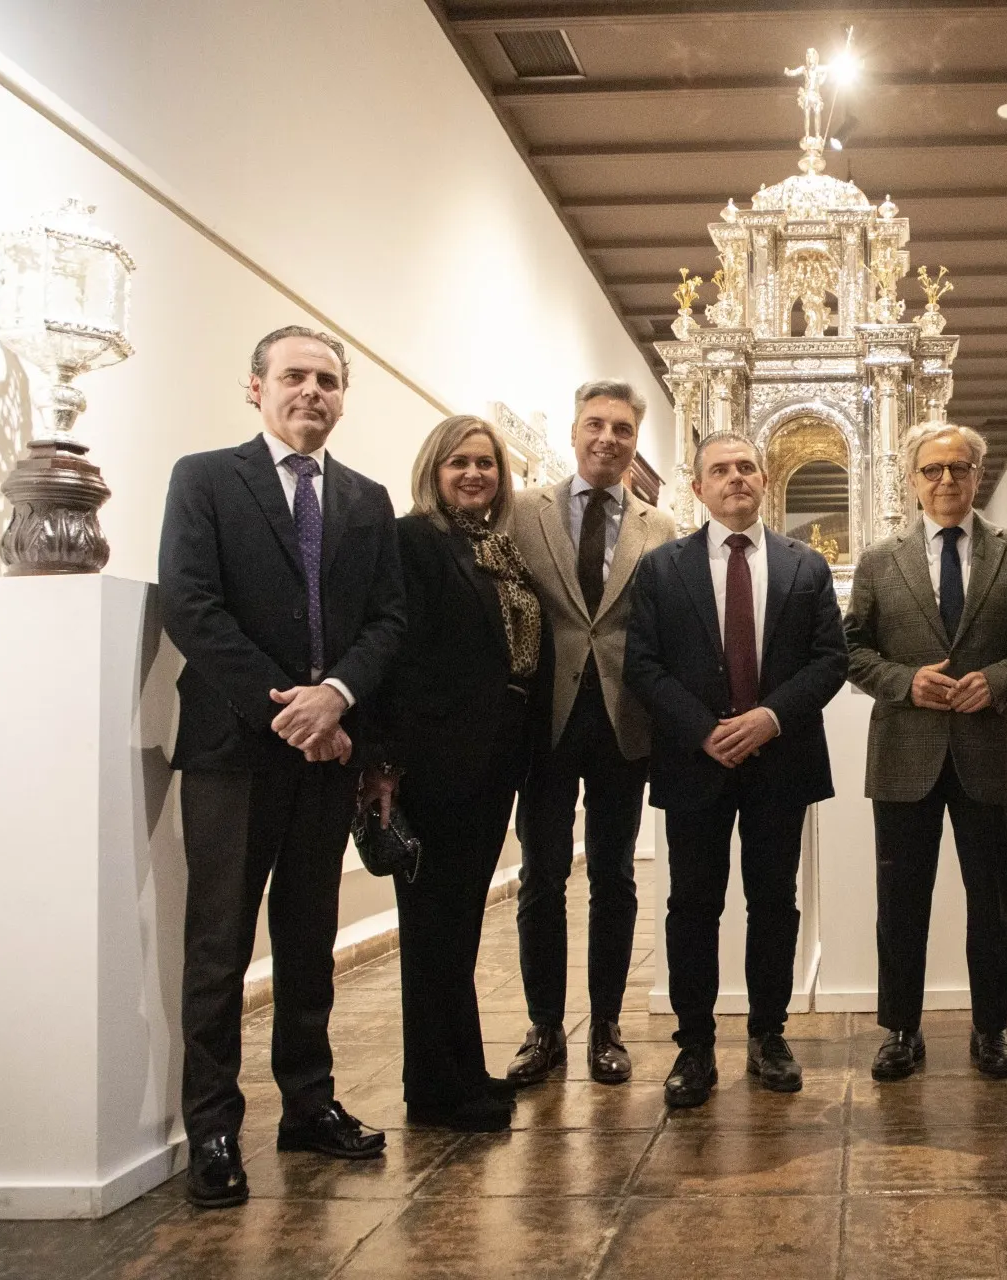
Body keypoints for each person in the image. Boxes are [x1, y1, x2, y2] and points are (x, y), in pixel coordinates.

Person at [157, 326, 405, 1208]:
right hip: (234, 750)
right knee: (221, 945)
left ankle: (308, 1103)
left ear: (343, 398)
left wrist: (334, 697)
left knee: (309, 940)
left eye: (328, 380)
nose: (312, 392)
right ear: (255, 387)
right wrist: (292, 708)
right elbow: (191, 604)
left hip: (330, 752)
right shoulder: (204, 480)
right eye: (294, 376)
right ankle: (215, 1127)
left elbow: (388, 622)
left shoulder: (368, 501)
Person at [623, 432, 848, 1107]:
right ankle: (694, 1047)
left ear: (766, 477)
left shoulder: (806, 566)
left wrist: (768, 718)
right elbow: (642, 664)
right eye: (719, 470)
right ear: (698, 488)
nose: (735, 479)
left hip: (780, 760)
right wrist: (703, 730)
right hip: (697, 763)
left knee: (774, 904)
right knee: (692, 905)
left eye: (746, 467)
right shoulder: (662, 568)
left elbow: (829, 659)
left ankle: (768, 1034)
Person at [844, 423, 1007, 1082]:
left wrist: (994, 682)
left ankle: (992, 1029)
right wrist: (907, 682)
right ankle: (901, 1029)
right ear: (911, 481)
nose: (945, 481)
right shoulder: (881, 560)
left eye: (958, 468)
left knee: (992, 903)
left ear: (977, 475)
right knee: (900, 902)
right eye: (931, 470)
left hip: (990, 751)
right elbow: (851, 649)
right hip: (905, 752)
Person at [357, 416, 541, 1132]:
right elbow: (394, 656)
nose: (474, 474)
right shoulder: (414, 541)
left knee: (459, 924)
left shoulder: (497, 549)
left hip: (491, 760)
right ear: (433, 469)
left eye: (487, 464)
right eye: (459, 462)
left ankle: (463, 1070)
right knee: (433, 927)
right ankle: (435, 1091)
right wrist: (384, 764)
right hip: (434, 763)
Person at [505, 380, 678, 1087]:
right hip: (541, 720)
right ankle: (544, 1026)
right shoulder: (519, 511)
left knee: (614, 877)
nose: (608, 438)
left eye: (623, 429)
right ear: (574, 432)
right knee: (541, 876)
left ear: (636, 442)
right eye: (596, 425)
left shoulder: (660, 529)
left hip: (622, 721)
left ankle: (605, 1025)